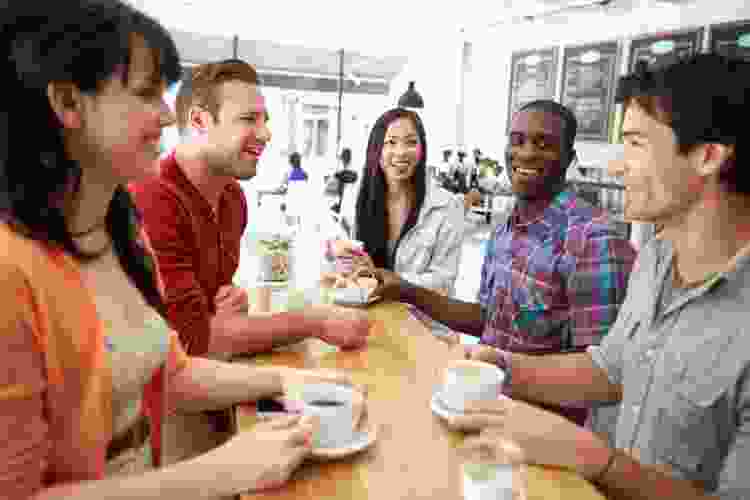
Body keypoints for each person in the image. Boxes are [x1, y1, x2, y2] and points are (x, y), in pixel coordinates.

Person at [0, 2, 363, 498]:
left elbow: (172, 371)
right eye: (146, 92)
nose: (168, 115)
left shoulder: (118, 226)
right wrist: (225, 471)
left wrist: (286, 382)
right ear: (68, 103)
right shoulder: (12, 265)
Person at [445, 53, 750, 499]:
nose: (615, 167)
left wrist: (592, 458)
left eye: (635, 144)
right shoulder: (657, 257)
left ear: (707, 157)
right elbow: (608, 370)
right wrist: (503, 368)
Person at [128, 58, 370, 468]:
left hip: (207, 385)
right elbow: (194, 347)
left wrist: (220, 320)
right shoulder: (155, 197)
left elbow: (214, 325)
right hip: (151, 413)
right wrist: (314, 321)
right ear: (200, 121)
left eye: (266, 119)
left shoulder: (232, 199)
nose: (266, 133)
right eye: (249, 119)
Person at [371, 100, 637, 425]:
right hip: (484, 408)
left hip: (545, 433)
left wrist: (505, 371)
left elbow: (601, 378)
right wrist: (405, 290)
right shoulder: (504, 231)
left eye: (543, 144)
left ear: (569, 158)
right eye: (517, 140)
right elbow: (487, 320)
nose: (525, 153)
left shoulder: (593, 238)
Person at [345, 107, 465, 296]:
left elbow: (443, 282)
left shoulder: (447, 206)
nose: (401, 152)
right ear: (376, 149)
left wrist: (383, 277)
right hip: (368, 315)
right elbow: (350, 269)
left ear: (422, 149)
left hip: (421, 321)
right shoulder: (361, 202)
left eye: (410, 142)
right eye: (391, 142)